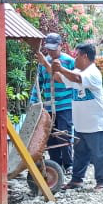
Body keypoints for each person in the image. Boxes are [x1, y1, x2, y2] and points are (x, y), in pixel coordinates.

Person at [52, 42, 103, 190]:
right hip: (81, 123)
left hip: (96, 123)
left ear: (85, 56)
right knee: (80, 154)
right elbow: (59, 78)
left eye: (77, 55)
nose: (74, 58)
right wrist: (48, 63)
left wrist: (61, 68)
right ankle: (77, 180)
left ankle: (101, 182)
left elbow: (77, 78)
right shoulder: (76, 73)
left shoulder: (92, 73)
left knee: (99, 155)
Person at [31, 32, 75, 172]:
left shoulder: (69, 61)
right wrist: (34, 101)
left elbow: (72, 81)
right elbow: (39, 83)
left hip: (65, 105)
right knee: (49, 137)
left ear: (61, 46)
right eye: (48, 48)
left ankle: (69, 164)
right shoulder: (43, 62)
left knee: (63, 134)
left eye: (53, 48)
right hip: (49, 106)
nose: (50, 51)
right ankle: (56, 165)